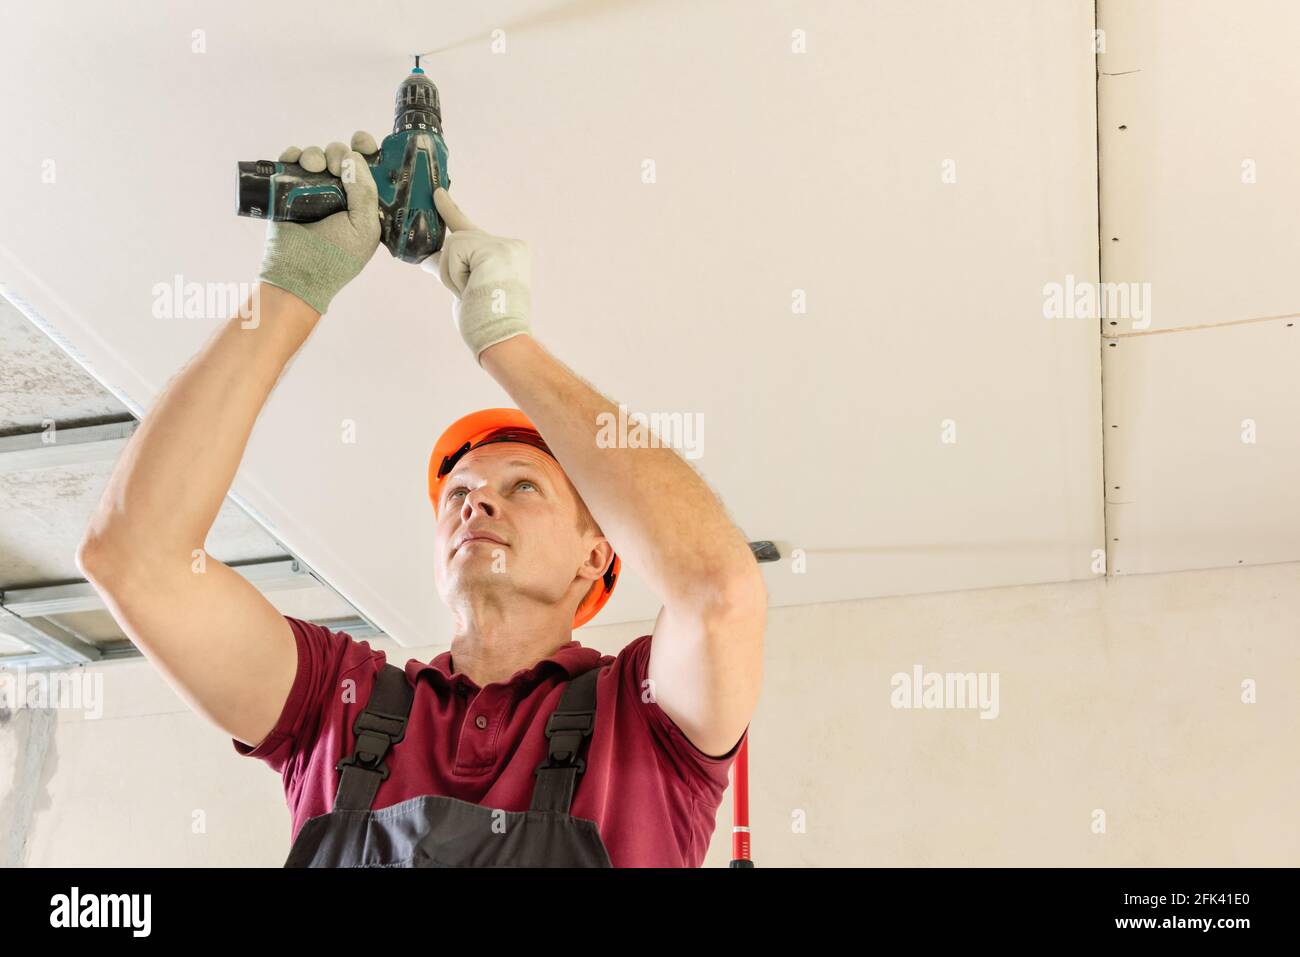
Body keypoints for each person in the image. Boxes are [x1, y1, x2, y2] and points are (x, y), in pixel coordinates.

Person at [77, 131, 766, 867]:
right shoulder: (336, 703)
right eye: (459, 492)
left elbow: (719, 592)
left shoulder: (640, 715)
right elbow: (133, 557)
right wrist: (291, 289)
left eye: (522, 486)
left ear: (595, 554)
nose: (476, 503)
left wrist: (506, 340)